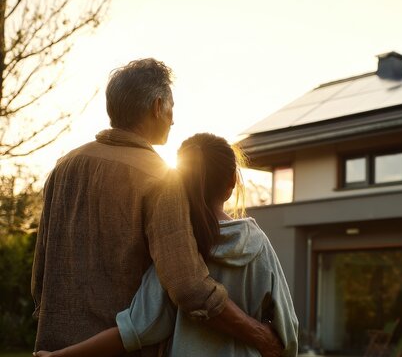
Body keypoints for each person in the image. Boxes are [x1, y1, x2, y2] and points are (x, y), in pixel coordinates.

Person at [31, 59, 282, 357]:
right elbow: (189, 288)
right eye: (172, 108)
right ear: (158, 105)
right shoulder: (160, 177)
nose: (173, 120)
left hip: (52, 347)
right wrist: (258, 334)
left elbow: (40, 277)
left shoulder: (64, 167)